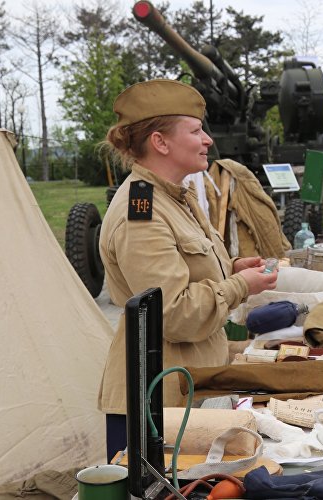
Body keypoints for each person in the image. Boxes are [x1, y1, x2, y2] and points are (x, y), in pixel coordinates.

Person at [97, 79, 278, 459]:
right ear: (161, 142)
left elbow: (189, 267)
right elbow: (172, 312)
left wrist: (232, 267)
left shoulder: (176, 197)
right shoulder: (141, 213)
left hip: (191, 390)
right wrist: (239, 286)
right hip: (158, 405)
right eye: (196, 131)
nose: (208, 139)